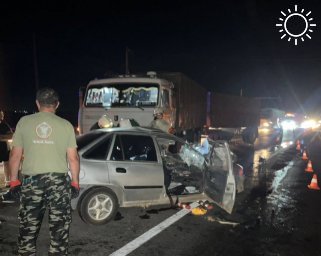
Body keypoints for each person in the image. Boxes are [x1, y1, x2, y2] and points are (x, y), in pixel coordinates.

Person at [5, 88, 80, 255]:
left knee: (28, 229)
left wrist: (14, 181)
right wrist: (75, 182)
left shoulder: (24, 122)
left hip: (32, 183)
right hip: (59, 184)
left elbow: (15, 155)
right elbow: (73, 158)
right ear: (57, 104)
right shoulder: (66, 125)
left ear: (38, 103)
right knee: (59, 230)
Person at [0, 110, 13, 187]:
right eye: (1, 115)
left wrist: (1, 137)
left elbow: (11, 135)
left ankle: (7, 181)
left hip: (4, 147)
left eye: (2, 115)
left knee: (6, 164)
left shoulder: (5, 125)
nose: (2, 116)